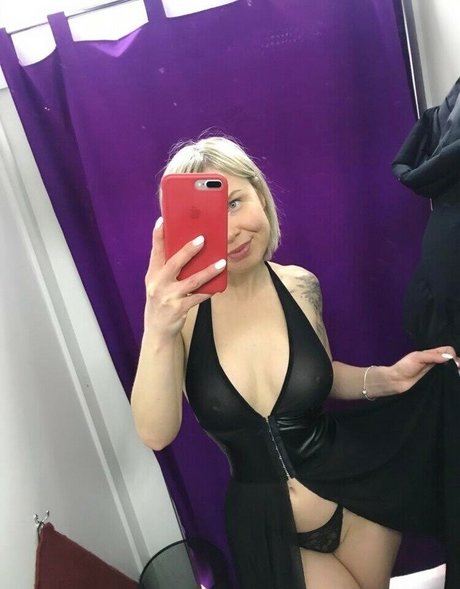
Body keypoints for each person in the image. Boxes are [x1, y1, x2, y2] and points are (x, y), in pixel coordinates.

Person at [131, 136, 460, 589]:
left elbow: (319, 375)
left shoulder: (300, 285)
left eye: (235, 202)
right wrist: (156, 327)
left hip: (360, 494)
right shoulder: (178, 317)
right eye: (206, 215)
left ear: (260, 194)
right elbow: (156, 432)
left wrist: (387, 379)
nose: (230, 231)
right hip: (269, 527)